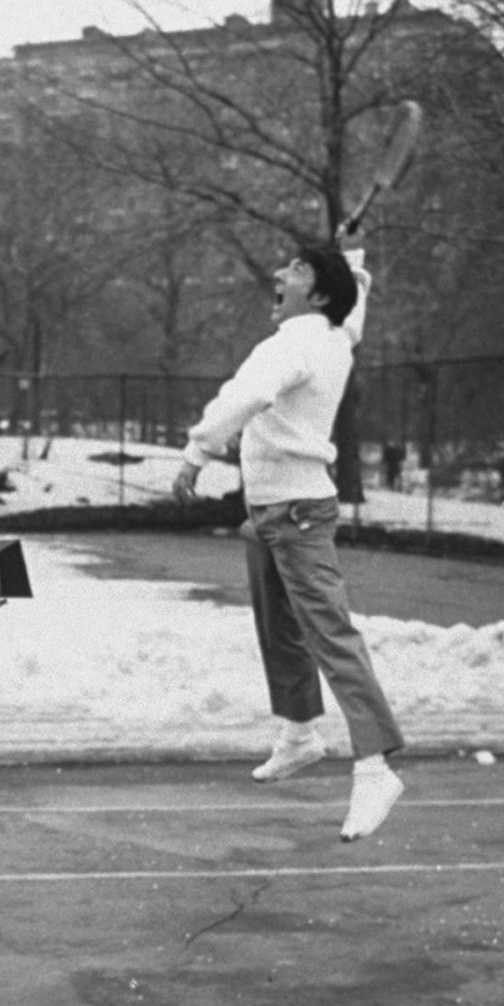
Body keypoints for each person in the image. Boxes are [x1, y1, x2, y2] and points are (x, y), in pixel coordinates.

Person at [172, 243, 405, 842]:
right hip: (272, 512)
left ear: (319, 294)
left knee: (331, 636)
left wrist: (198, 451)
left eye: (296, 271)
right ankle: (301, 733)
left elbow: (245, 397)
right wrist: (352, 260)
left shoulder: (290, 346)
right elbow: (354, 311)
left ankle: (376, 765)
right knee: (279, 631)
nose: (278, 275)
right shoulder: (336, 334)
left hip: (296, 513)